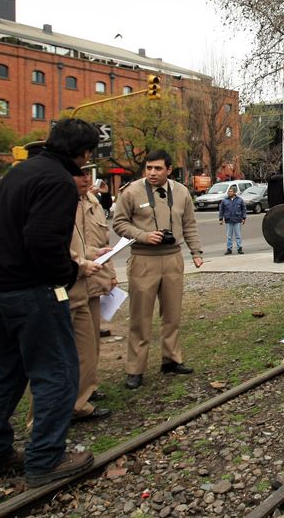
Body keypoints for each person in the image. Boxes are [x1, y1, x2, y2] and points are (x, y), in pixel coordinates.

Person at [0, 118, 98, 487]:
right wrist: (67, 273)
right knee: (57, 372)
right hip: (29, 290)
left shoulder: (20, 171)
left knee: (4, 373)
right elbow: (41, 240)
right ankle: (45, 459)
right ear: (82, 152)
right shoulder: (58, 181)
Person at [112, 149, 203, 389]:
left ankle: (171, 360)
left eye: (158, 169)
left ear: (169, 170)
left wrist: (196, 252)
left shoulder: (182, 192)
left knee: (172, 315)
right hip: (143, 259)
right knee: (140, 318)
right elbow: (119, 223)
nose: (152, 173)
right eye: (149, 168)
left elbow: (189, 225)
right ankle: (135, 369)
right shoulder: (131, 192)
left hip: (173, 258)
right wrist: (143, 235)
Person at [69, 166, 117, 422]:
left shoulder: (93, 201)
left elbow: (102, 242)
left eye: (89, 174)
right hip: (74, 277)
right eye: (81, 174)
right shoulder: (63, 202)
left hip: (94, 275)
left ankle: (87, 389)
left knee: (92, 342)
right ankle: (76, 401)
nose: (87, 179)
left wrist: (109, 273)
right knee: (77, 345)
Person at [218, 184, 246, 254]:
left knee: (238, 235)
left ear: (234, 192)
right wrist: (221, 219)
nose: (229, 193)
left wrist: (243, 218)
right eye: (228, 191)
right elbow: (221, 210)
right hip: (228, 220)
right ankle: (229, 249)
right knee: (229, 236)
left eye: (231, 191)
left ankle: (239, 248)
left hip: (237, 220)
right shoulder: (224, 200)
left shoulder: (240, 200)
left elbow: (244, 209)